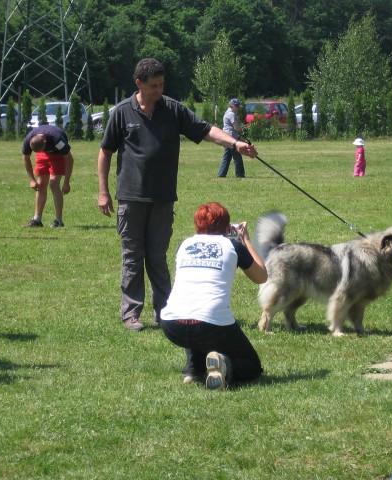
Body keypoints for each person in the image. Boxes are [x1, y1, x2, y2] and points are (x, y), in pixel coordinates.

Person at [97, 58, 258, 332]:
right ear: (139, 84)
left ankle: (165, 312)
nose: (159, 89)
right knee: (133, 257)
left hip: (163, 198)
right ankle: (131, 314)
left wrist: (235, 143)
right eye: (154, 85)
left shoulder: (172, 110)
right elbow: (105, 152)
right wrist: (103, 192)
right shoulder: (122, 112)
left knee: (158, 258)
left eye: (162, 84)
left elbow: (207, 131)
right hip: (131, 198)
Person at [159, 202, 267, 390]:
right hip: (210, 324)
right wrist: (246, 240)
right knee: (252, 366)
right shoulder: (233, 246)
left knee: (193, 307)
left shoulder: (183, 245)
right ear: (227, 226)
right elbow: (261, 276)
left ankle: (194, 370)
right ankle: (225, 364)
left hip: (171, 324)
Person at [22, 124, 74, 228]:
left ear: (45, 142)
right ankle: (37, 219)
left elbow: (69, 159)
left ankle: (58, 221)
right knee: (40, 185)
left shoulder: (57, 139)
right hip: (42, 154)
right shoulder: (29, 139)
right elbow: (26, 158)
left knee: (54, 183)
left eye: (42, 149)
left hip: (58, 154)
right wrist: (32, 180)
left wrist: (66, 182)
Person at [217, 98, 245, 178]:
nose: (238, 108)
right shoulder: (232, 114)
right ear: (232, 105)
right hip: (231, 138)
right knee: (237, 157)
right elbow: (236, 127)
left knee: (227, 157)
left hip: (226, 137)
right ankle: (240, 174)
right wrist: (241, 130)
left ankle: (221, 174)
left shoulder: (227, 113)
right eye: (237, 106)